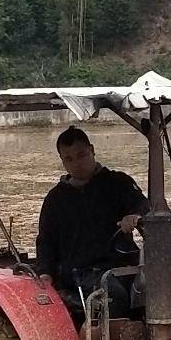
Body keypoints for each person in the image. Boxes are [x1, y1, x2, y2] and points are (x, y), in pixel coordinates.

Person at [35, 126, 147, 318]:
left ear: (92, 150)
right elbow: (46, 241)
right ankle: (116, 336)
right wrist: (46, 274)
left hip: (124, 264)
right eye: (69, 159)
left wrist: (135, 216)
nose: (77, 164)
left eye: (81, 155)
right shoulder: (56, 199)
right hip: (80, 272)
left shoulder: (118, 183)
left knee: (159, 287)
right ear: (62, 161)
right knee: (113, 296)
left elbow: (145, 207)